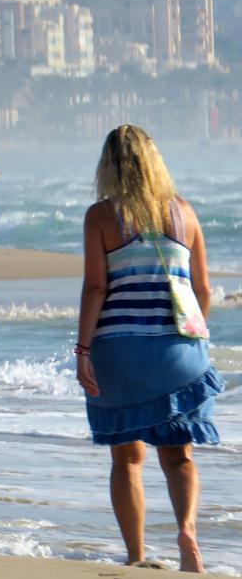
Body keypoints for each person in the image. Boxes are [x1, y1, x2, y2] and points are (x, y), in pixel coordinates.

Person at [74, 125, 222, 573]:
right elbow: (203, 290)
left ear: (109, 165)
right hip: (180, 352)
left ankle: (137, 556)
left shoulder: (101, 216)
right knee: (179, 457)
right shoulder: (185, 213)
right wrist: (186, 343)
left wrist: (82, 350)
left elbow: (97, 287)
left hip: (120, 352)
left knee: (127, 459)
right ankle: (187, 532)